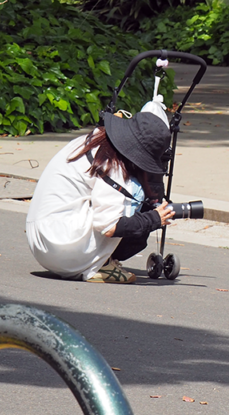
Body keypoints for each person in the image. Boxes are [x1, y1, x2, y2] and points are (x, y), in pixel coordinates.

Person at [26, 103, 175, 283]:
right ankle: (98, 265)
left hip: (41, 240)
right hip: (64, 252)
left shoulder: (94, 138)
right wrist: (154, 218)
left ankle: (94, 260)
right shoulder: (113, 166)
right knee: (136, 192)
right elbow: (109, 226)